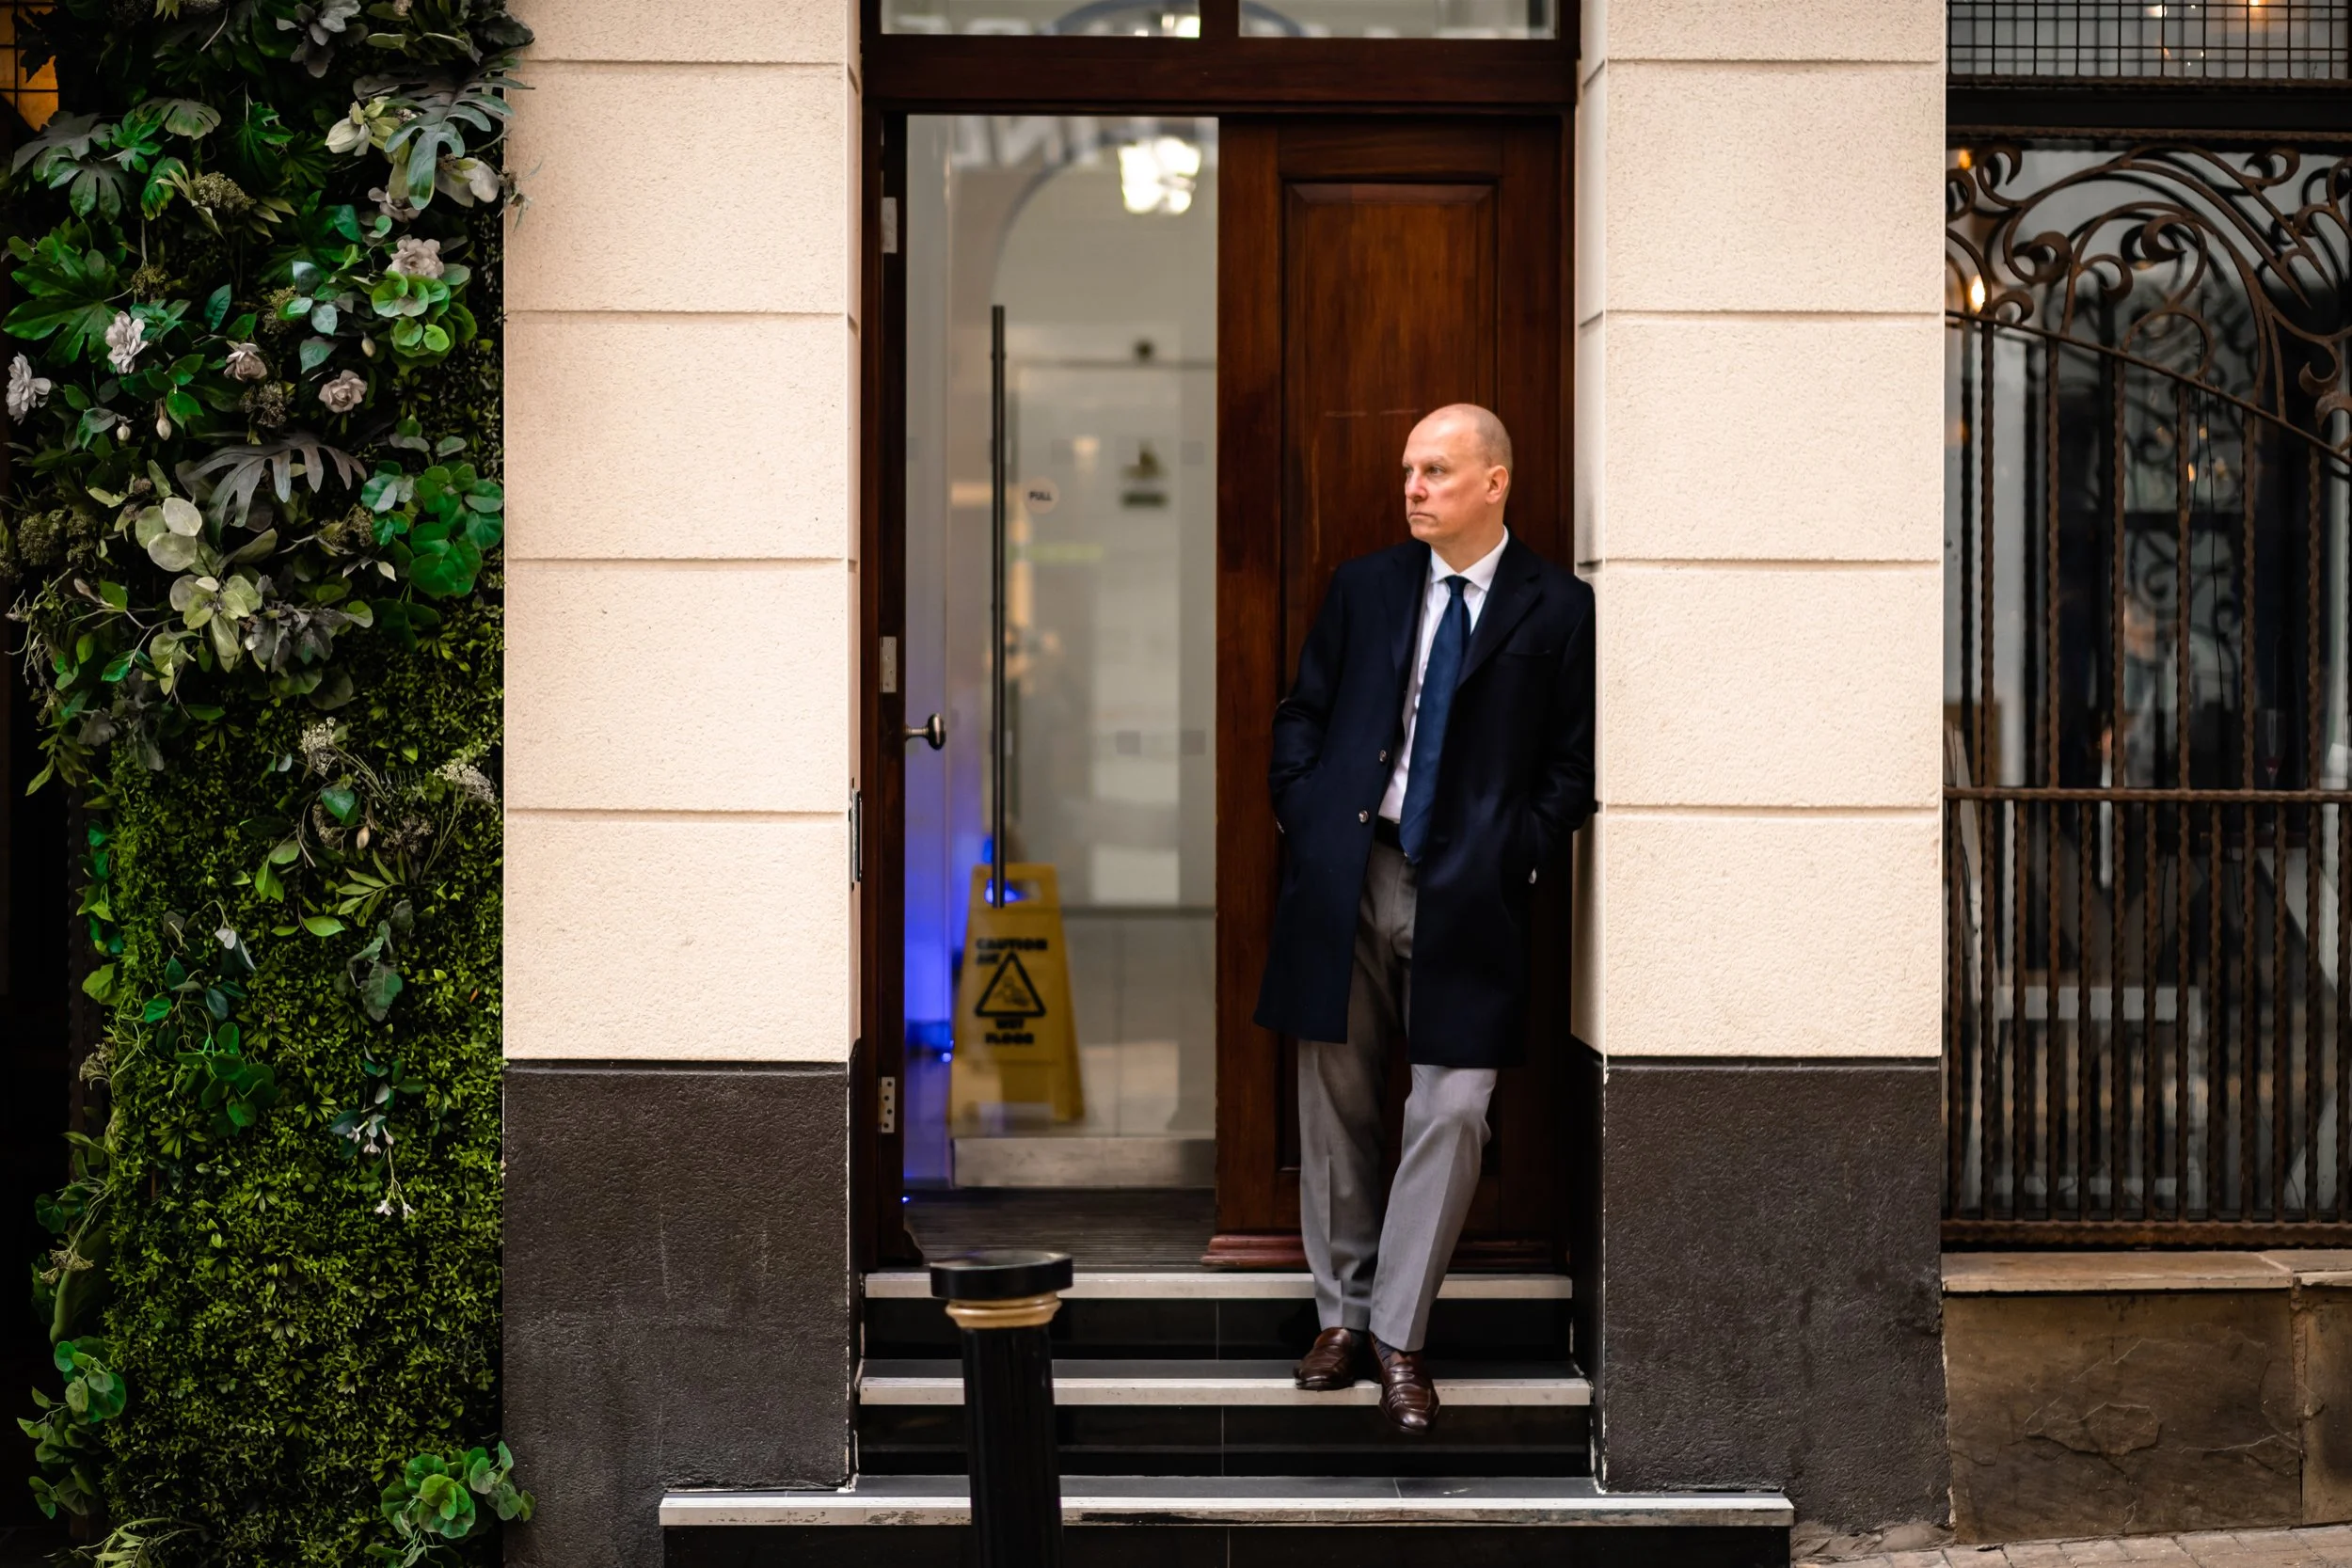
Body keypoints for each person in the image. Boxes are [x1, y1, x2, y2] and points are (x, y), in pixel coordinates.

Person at [1253, 403, 1595, 1434]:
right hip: (1352, 870)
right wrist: (1306, 809)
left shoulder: (1558, 607)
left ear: (1495, 481)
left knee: (1449, 1109)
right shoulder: (1366, 586)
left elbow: (1570, 765)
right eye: (1409, 470)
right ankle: (1340, 1318)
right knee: (1336, 1103)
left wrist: (1515, 849)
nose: (1412, 487)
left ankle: (1400, 1334)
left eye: (1436, 470)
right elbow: (1303, 711)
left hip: (1471, 889)